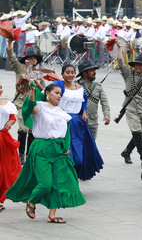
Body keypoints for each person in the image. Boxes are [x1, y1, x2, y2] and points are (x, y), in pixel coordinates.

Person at [6, 82, 86, 223]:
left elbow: (66, 130)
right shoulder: (40, 107)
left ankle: (52, 215)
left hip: (59, 150)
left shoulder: (61, 111)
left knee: (57, 183)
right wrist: (32, 90)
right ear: (47, 93)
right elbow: (29, 106)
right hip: (42, 148)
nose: (59, 96)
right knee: (45, 183)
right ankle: (32, 201)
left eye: (60, 94)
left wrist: (66, 146)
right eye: (56, 93)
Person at [52, 63, 104, 180]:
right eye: (67, 72)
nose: (70, 75)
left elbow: (84, 102)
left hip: (76, 124)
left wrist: (84, 111)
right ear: (62, 74)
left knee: (79, 159)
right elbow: (46, 93)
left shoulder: (79, 88)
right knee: (65, 155)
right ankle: (65, 181)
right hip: (61, 122)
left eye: (72, 72)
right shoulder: (58, 85)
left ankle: (73, 178)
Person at [7, 38, 46, 165]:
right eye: (30, 58)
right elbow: (11, 57)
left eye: (35, 58)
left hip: (33, 105)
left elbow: (44, 90)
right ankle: (21, 154)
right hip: (20, 103)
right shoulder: (20, 68)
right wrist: (9, 43)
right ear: (26, 59)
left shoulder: (39, 73)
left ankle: (29, 154)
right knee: (23, 128)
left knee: (31, 130)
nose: (33, 60)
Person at [116, 40, 142, 165]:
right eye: (136, 64)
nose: (138, 67)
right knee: (137, 131)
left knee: (139, 133)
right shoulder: (128, 74)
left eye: (141, 65)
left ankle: (127, 151)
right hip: (130, 106)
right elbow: (121, 63)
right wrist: (119, 48)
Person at [0, 82, 21, 211]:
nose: (0, 90)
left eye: (1, 87)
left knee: (6, 169)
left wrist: (11, 121)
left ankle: (1, 198)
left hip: (3, 139)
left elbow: (13, 117)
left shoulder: (8, 105)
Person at [76, 60, 110, 140]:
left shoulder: (98, 86)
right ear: (84, 73)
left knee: (91, 146)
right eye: (91, 70)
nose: (94, 72)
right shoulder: (75, 84)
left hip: (93, 122)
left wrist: (107, 115)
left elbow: (104, 102)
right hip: (79, 120)